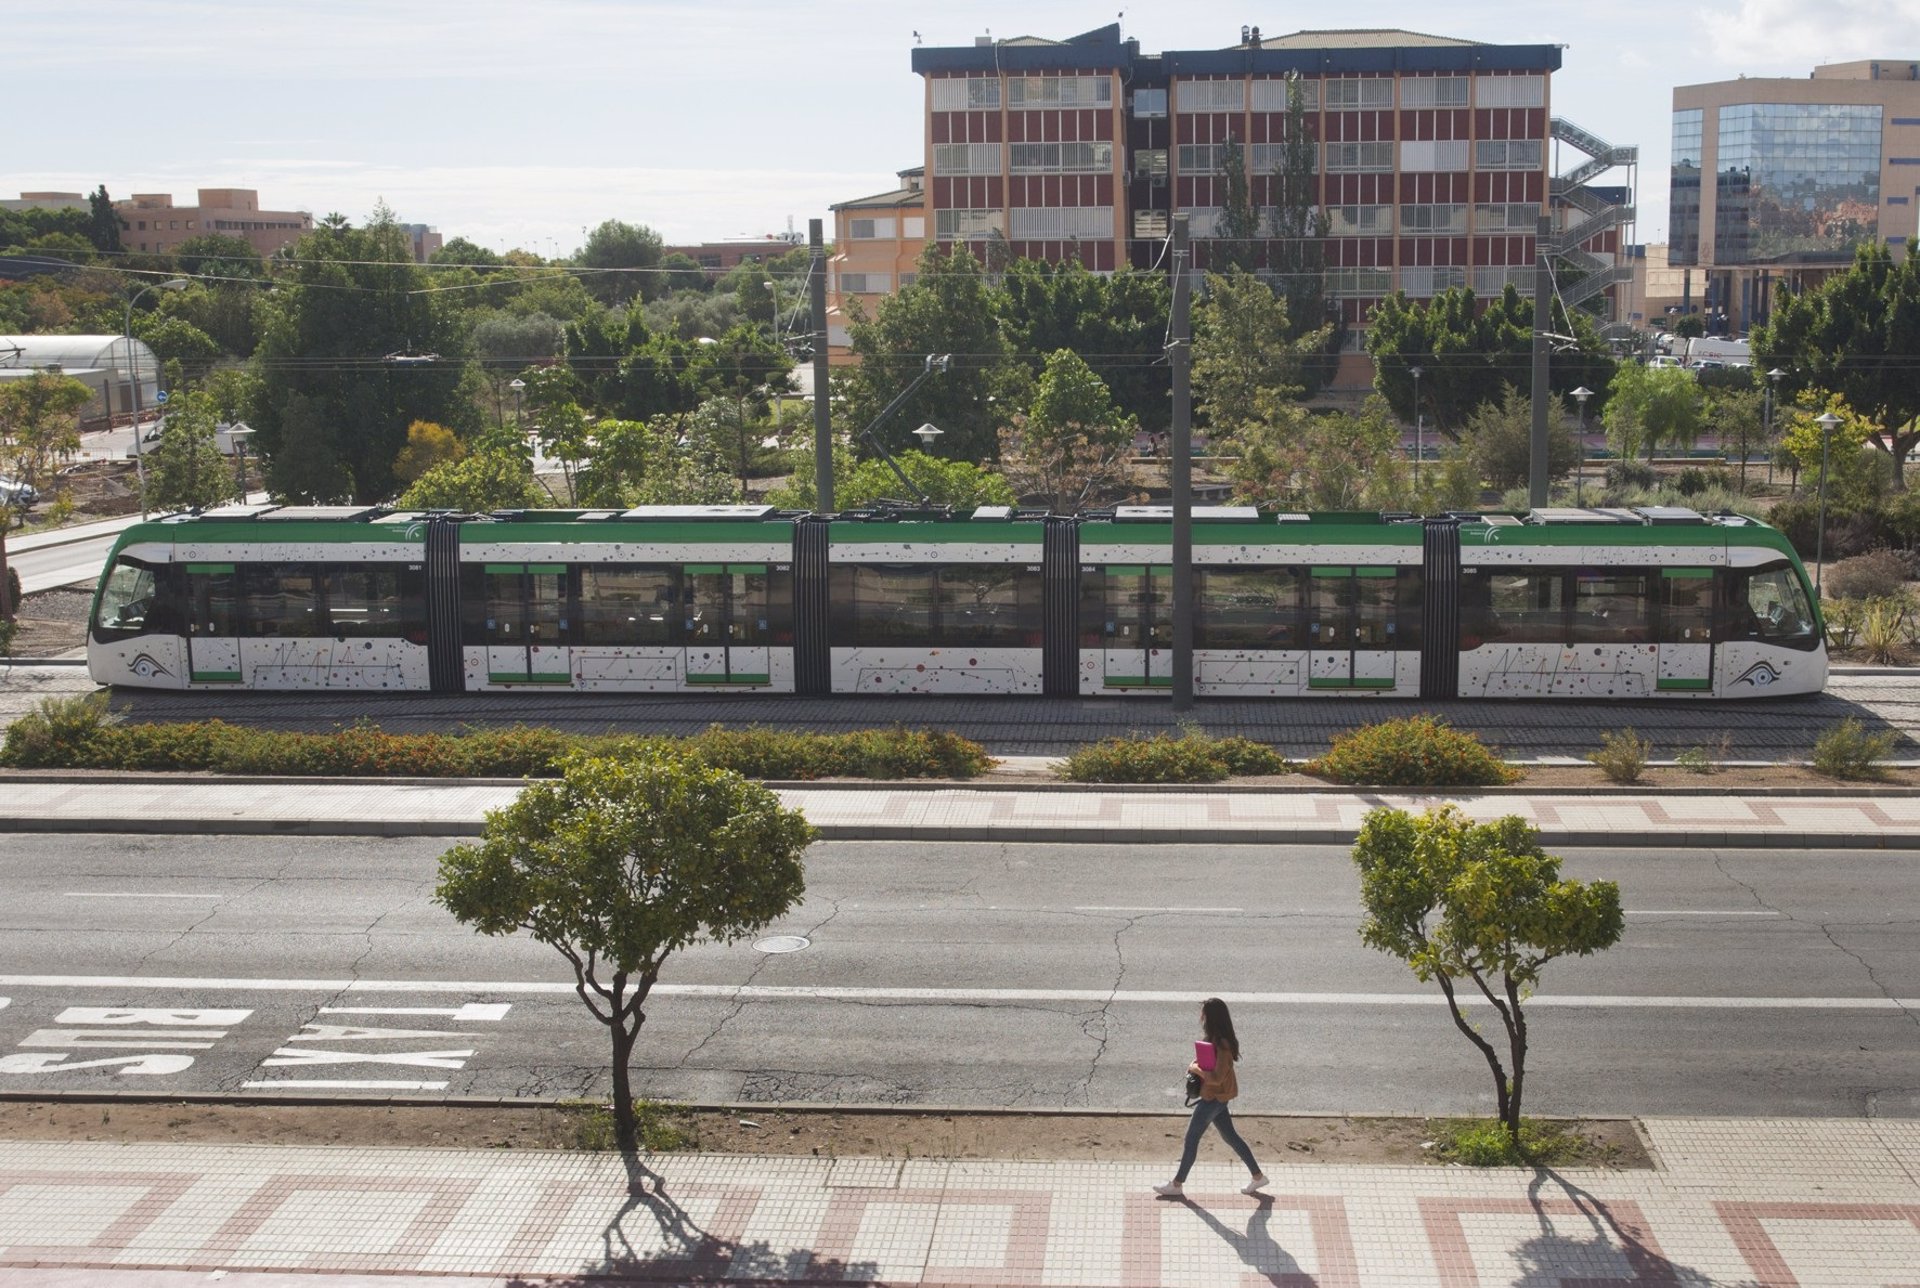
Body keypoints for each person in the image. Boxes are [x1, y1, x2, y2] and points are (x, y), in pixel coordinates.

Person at [1153, 997, 1268, 1198]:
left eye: (1203, 1012)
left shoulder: (1222, 1044)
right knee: (1230, 1137)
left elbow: (1216, 1077)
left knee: (1191, 1139)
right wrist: (1199, 1062)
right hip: (1218, 1098)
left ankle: (1177, 1184)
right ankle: (1258, 1177)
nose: (1201, 1015)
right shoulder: (1215, 1038)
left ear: (1211, 1017)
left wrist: (1195, 1068)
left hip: (1213, 1098)